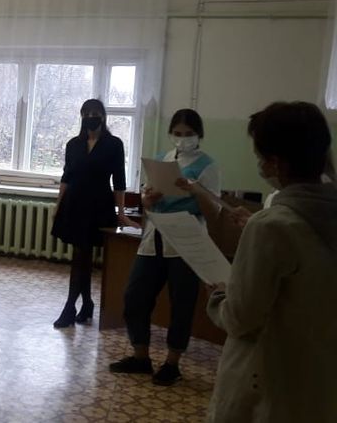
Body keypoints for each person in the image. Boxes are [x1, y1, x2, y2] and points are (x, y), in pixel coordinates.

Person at [206, 102, 337, 423]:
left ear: (276, 162)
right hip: (319, 384)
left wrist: (219, 297)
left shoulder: (270, 226)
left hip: (267, 384)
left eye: (260, 156)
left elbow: (241, 318)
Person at [108, 109, 221, 386]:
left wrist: (196, 191)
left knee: (182, 301)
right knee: (135, 296)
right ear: (170, 133)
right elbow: (146, 201)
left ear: (199, 134)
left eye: (188, 134)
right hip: (155, 235)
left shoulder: (208, 166)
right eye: (177, 133)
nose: (182, 139)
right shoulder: (162, 160)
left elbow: (214, 211)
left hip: (186, 239)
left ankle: (172, 363)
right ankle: (141, 357)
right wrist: (148, 199)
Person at [51, 99, 136, 328]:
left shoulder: (114, 144)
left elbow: (119, 181)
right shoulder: (73, 144)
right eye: (86, 113)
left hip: (98, 205)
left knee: (82, 256)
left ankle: (70, 307)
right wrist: (58, 205)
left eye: (95, 113)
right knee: (82, 255)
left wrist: (121, 212)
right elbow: (66, 177)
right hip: (74, 204)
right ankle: (86, 303)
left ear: (103, 116)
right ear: (81, 116)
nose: (91, 117)